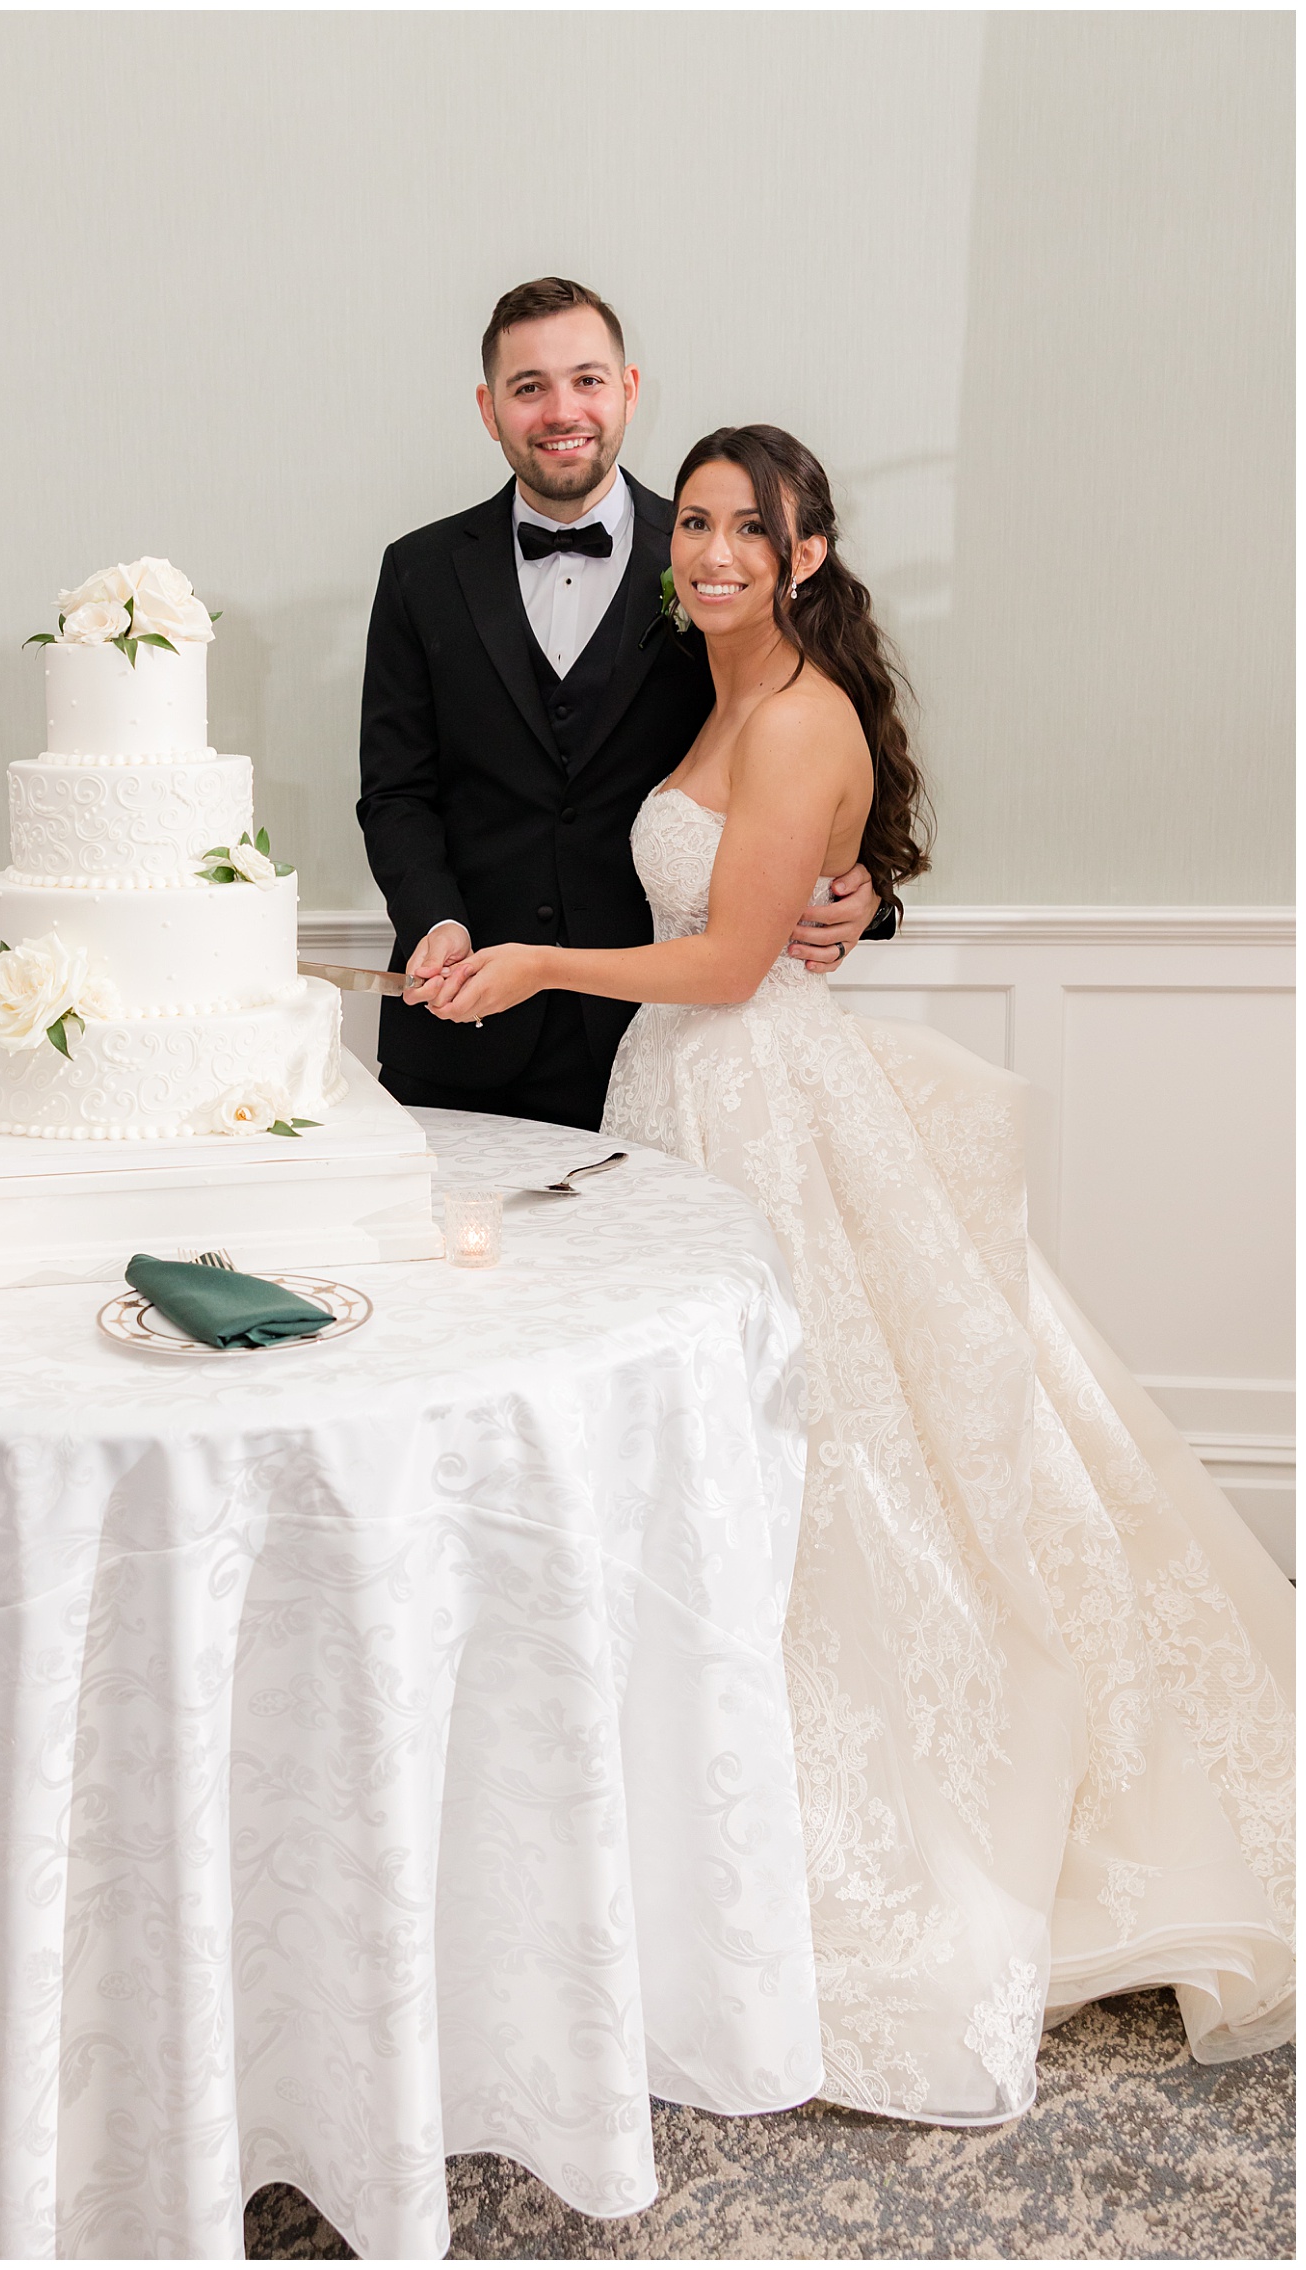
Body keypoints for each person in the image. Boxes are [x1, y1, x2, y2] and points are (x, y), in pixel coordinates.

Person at [426, 422, 1295, 2120]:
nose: (719, 552)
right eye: (700, 526)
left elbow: (740, 955)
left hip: (752, 1099)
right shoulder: (716, 691)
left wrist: (540, 958)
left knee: (839, 1464)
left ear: (807, 554)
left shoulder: (802, 710)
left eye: (754, 530)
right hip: (678, 1100)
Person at [356, 277, 891, 1131]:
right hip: (459, 1030)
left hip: (643, 1038)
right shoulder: (419, 572)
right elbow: (395, 790)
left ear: (629, 390)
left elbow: (815, 750)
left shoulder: (708, 568)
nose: (562, 409)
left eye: (588, 379)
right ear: (491, 409)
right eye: (529, 388)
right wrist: (436, 919)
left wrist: (858, 888)